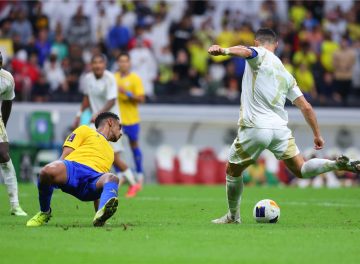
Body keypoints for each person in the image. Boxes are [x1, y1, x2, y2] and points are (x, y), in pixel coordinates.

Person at [207, 28, 360, 224]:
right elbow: (306, 106)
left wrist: (224, 51)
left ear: (256, 42)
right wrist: (317, 135)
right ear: (276, 45)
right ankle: (335, 164)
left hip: (256, 127)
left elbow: (246, 51)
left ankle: (233, 216)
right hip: (279, 129)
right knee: (301, 169)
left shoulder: (259, 53)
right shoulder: (286, 73)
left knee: (232, 170)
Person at [26, 112, 121, 227]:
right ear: (110, 122)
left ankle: (101, 214)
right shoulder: (85, 130)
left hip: (92, 182)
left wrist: (98, 214)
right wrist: (55, 174)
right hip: (73, 170)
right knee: (45, 171)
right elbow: (65, 155)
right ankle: (45, 212)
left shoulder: (111, 152)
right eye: (119, 127)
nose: (120, 133)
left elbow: (102, 183)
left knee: (112, 178)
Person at [74, 54, 140, 198]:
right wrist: (79, 114)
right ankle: (97, 182)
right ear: (91, 65)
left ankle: (133, 182)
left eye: (100, 62)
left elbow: (112, 99)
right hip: (97, 123)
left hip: (112, 123)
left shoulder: (110, 78)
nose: (97, 65)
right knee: (95, 153)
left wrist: (98, 113)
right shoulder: (88, 79)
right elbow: (86, 98)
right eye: (94, 62)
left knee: (114, 158)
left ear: (105, 64)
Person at [0, 52, 27, 216]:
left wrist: (4, 126)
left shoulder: (7, 79)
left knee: (3, 154)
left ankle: (15, 205)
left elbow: (7, 103)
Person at [114, 53, 145, 187]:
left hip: (131, 119)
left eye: (125, 61)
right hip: (116, 120)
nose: (123, 64)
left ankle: (139, 174)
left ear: (129, 63)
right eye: (121, 61)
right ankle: (120, 175)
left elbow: (142, 99)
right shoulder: (112, 78)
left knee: (134, 145)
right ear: (118, 63)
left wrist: (126, 93)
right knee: (115, 150)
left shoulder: (135, 79)